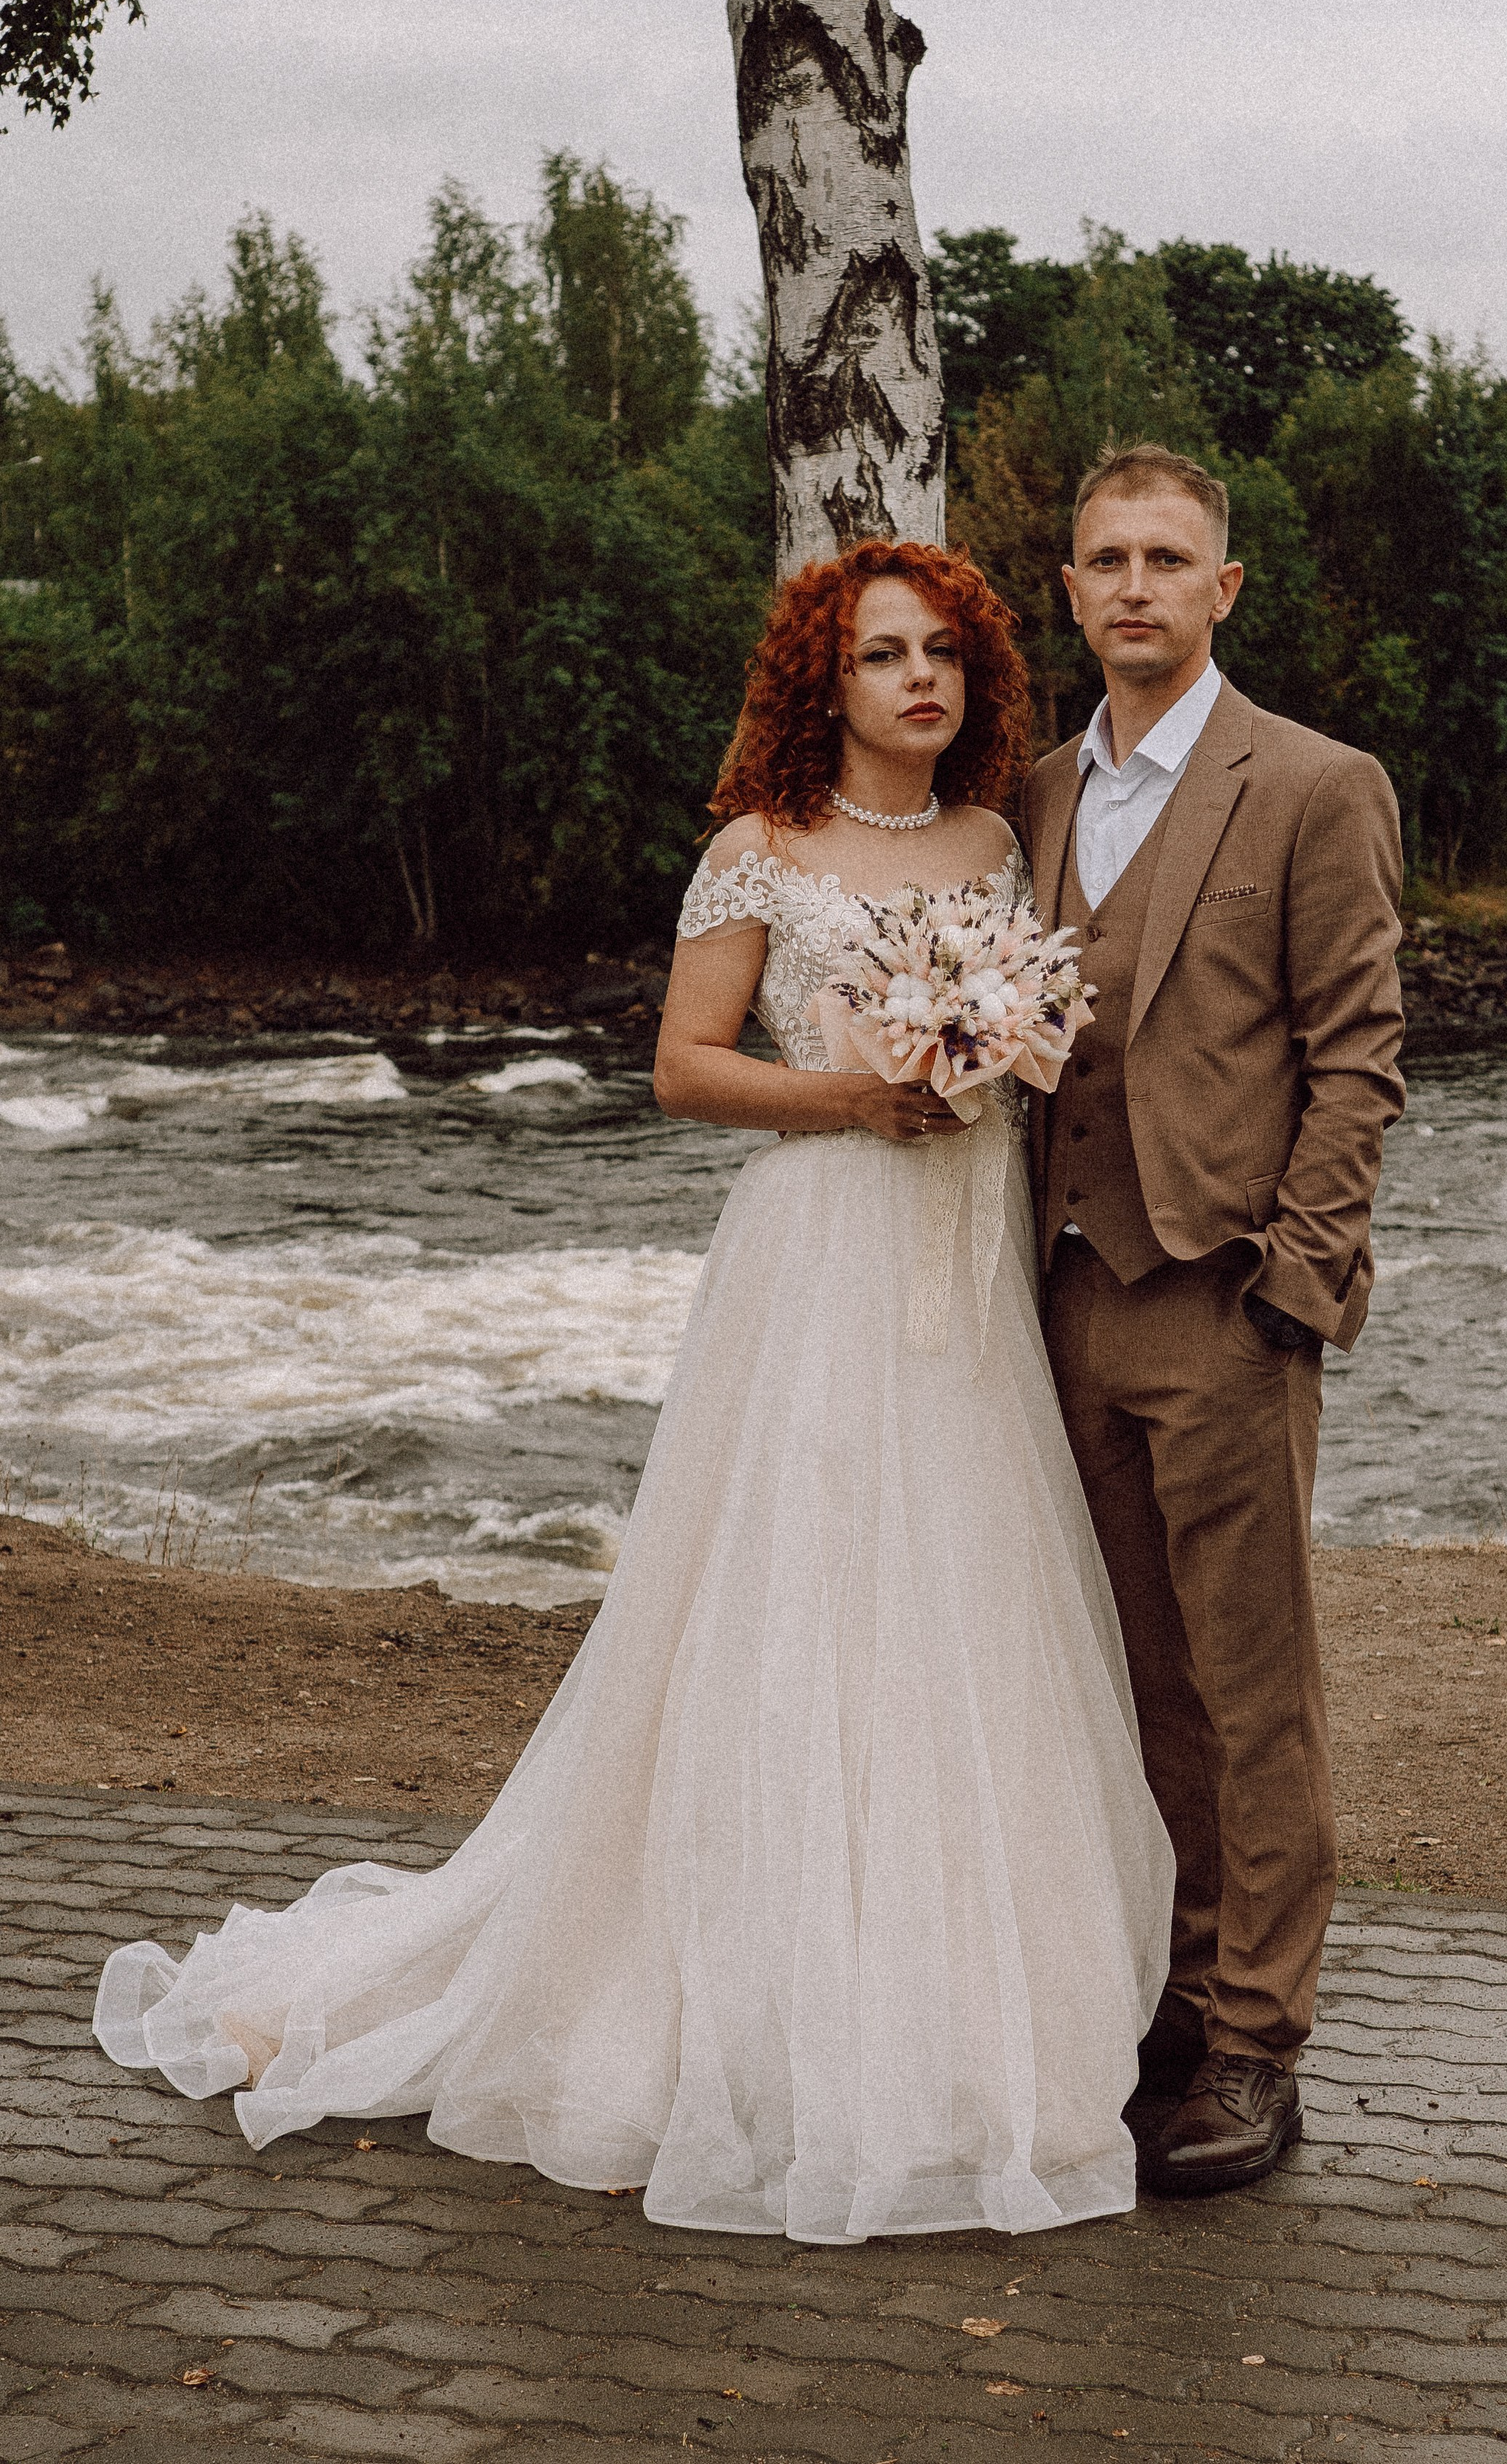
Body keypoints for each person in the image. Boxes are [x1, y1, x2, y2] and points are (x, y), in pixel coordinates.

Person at [95, 538, 1175, 2246]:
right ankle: (729, 1999)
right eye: (887, 653)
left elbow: (1035, 1034)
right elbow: (681, 1067)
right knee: (795, 1596)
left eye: (948, 656)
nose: (922, 681)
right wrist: (860, 1091)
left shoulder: (996, 842)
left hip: (964, 1279)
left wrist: (986, 1044)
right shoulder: (756, 852)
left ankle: (963, 2015)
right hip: (821, 1253)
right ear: (826, 678)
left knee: (955, 1607)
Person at [1018, 443, 1406, 2196]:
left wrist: (1296, 1288)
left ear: (1223, 587)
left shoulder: (1316, 785)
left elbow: (1358, 1058)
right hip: (1060, 1297)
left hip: (1227, 1301)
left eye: (1168, 558)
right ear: (1073, 585)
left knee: (1258, 1694)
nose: (1135, 587)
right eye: (1106, 559)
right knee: (1134, 1678)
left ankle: (1261, 2039)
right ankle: (1174, 2000)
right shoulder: (1030, 795)